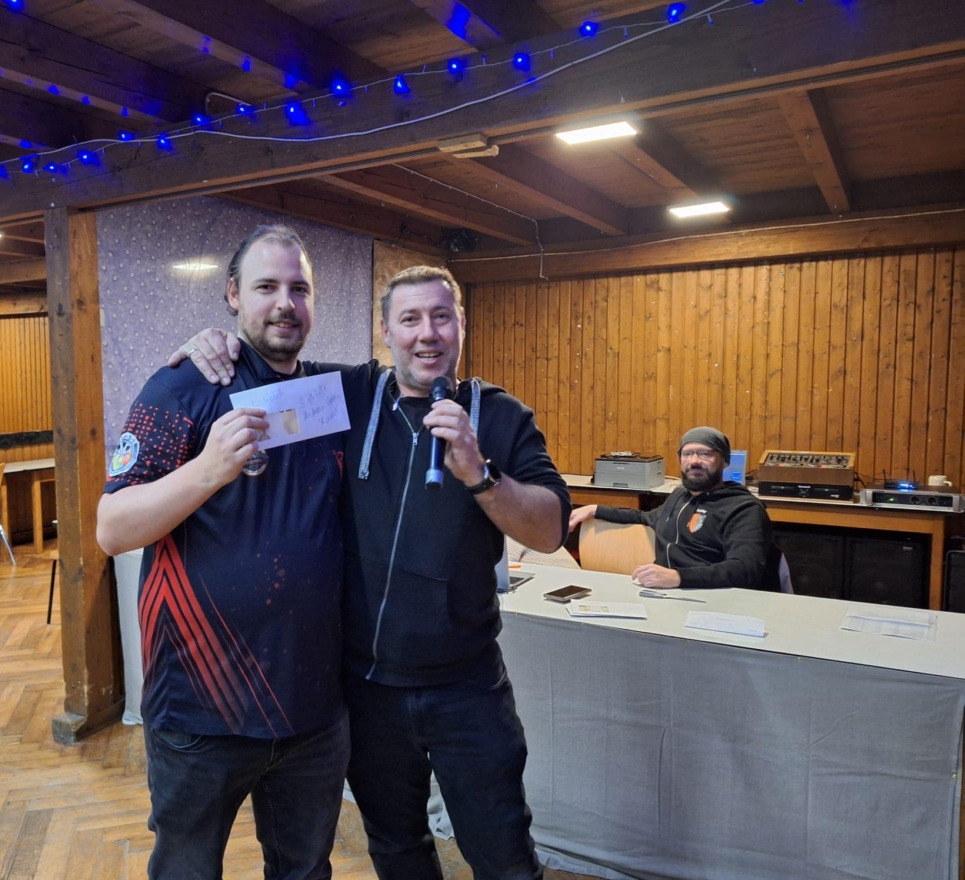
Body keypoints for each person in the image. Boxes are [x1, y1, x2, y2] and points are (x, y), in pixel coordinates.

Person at [172, 265, 571, 880]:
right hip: (365, 690)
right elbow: (259, 382)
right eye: (409, 319)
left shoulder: (500, 415)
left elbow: (548, 530)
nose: (426, 333)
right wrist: (215, 343)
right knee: (395, 847)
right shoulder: (347, 396)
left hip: (467, 688)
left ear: (461, 325)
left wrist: (480, 474)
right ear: (386, 331)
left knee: (503, 855)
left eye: (441, 317)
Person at [96, 225, 350, 880]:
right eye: (266, 287)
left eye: (299, 288)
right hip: (199, 714)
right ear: (233, 295)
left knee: (305, 871)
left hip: (312, 712)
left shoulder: (330, 396)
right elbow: (112, 528)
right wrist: (208, 469)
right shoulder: (182, 386)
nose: (285, 303)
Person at [569, 426, 776, 590]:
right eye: (687, 454)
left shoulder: (744, 509)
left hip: (713, 597)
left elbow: (745, 569)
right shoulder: (679, 497)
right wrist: (595, 509)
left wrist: (678, 577)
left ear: (724, 461)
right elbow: (645, 517)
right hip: (665, 593)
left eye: (705, 454)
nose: (694, 461)